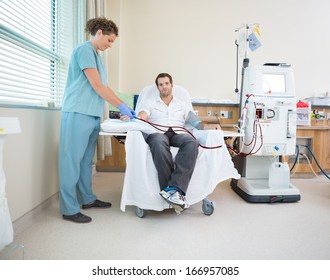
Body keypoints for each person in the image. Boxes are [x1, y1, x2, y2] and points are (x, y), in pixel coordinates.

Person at [59, 17, 135, 223]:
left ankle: (88, 199)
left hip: (92, 115)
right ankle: (68, 208)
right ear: (99, 32)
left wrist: (123, 106)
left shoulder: (97, 57)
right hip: (77, 112)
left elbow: (106, 87)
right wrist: (120, 106)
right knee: (71, 161)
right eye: (109, 40)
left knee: (85, 161)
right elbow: (97, 86)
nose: (110, 45)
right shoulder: (84, 50)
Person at [136, 73, 200, 214]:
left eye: (166, 83)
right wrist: (134, 118)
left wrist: (206, 126)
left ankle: (172, 189)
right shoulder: (150, 102)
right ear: (157, 87)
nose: (164, 87)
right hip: (158, 133)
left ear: (171, 85)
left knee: (192, 142)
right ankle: (173, 193)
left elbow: (193, 120)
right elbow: (143, 115)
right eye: (161, 84)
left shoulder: (181, 104)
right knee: (158, 142)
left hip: (178, 133)